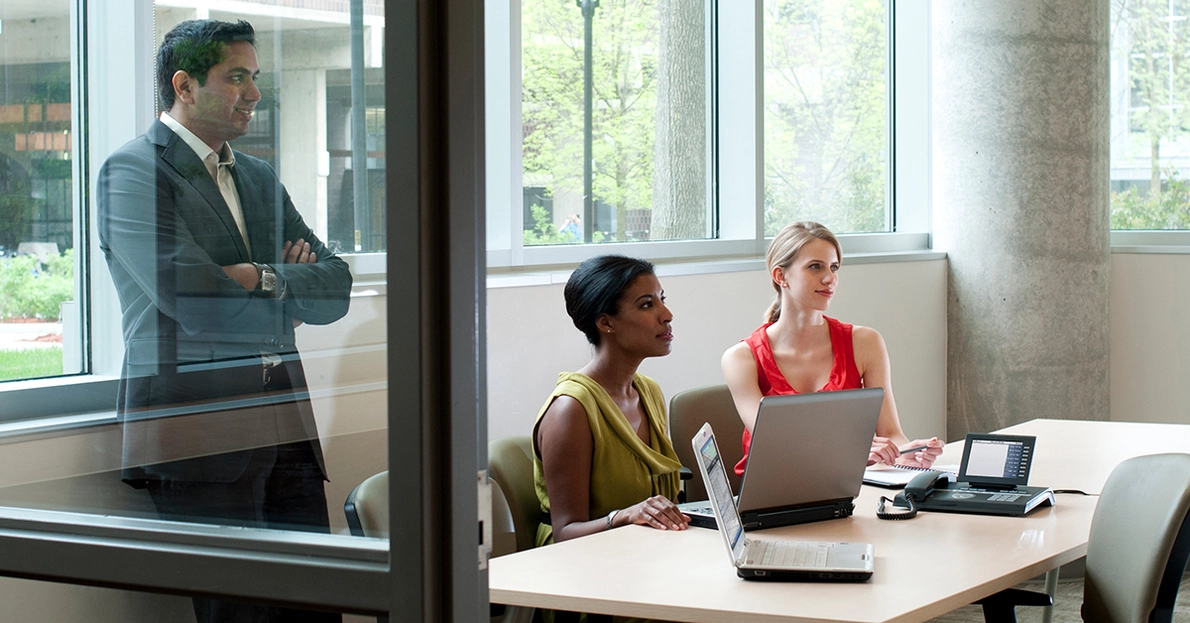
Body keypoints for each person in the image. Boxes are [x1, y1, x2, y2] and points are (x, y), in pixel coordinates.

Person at [97, 19, 350, 623]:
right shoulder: (133, 173)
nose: (255, 94)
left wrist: (259, 275)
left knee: (319, 607)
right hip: (198, 433)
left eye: (255, 77)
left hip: (284, 423)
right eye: (237, 77)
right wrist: (284, 281)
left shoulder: (258, 176)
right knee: (238, 616)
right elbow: (194, 301)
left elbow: (335, 288)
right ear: (184, 85)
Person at [721, 221, 943, 478]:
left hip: (846, 490)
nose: (829, 279)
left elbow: (890, 432)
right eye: (815, 267)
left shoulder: (865, 342)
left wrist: (907, 453)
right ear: (780, 276)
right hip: (774, 494)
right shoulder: (740, 358)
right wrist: (857, 450)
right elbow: (777, 444)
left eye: (834, 267)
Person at [533, 255, 690, 546]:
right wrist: (624, 516)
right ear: (606, 322)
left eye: (661, 299)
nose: (666, 314)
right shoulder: (571, 409)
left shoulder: (649, 391)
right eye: (647, 304)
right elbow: (564, 532)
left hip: (647, 552)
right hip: (583, 563)